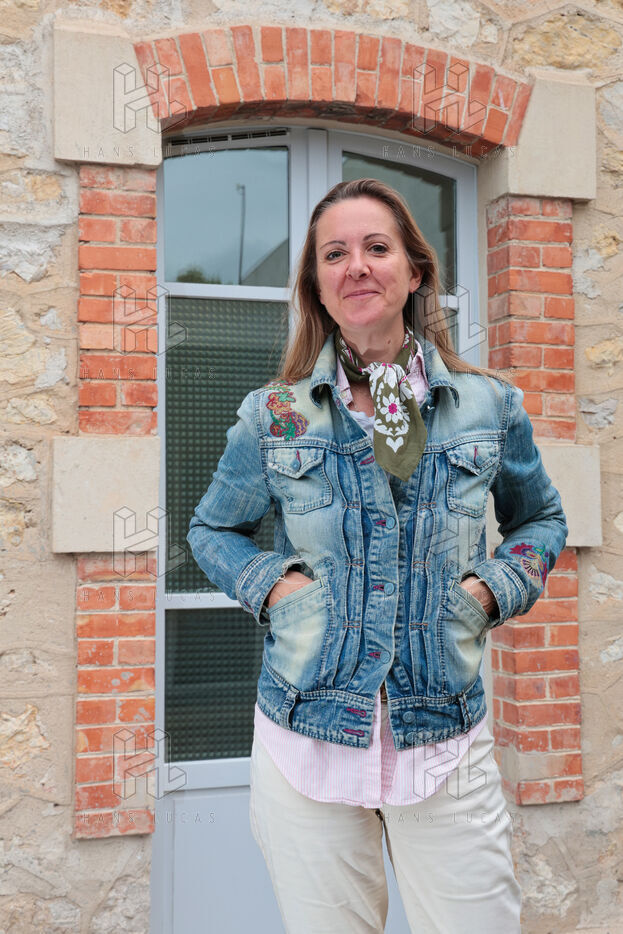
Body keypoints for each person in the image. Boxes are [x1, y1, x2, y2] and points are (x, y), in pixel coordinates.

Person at [186, 178, 568, 933]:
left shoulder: (489, 405)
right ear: (316, 286)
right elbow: (211, 531)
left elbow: (540, 520)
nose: (355, 265)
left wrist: (489, 591)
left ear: (415, 271)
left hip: (443, 734)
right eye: (334, 254)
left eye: (376, 247)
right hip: (306, 734)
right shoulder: (276, 416)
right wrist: (275, 587)